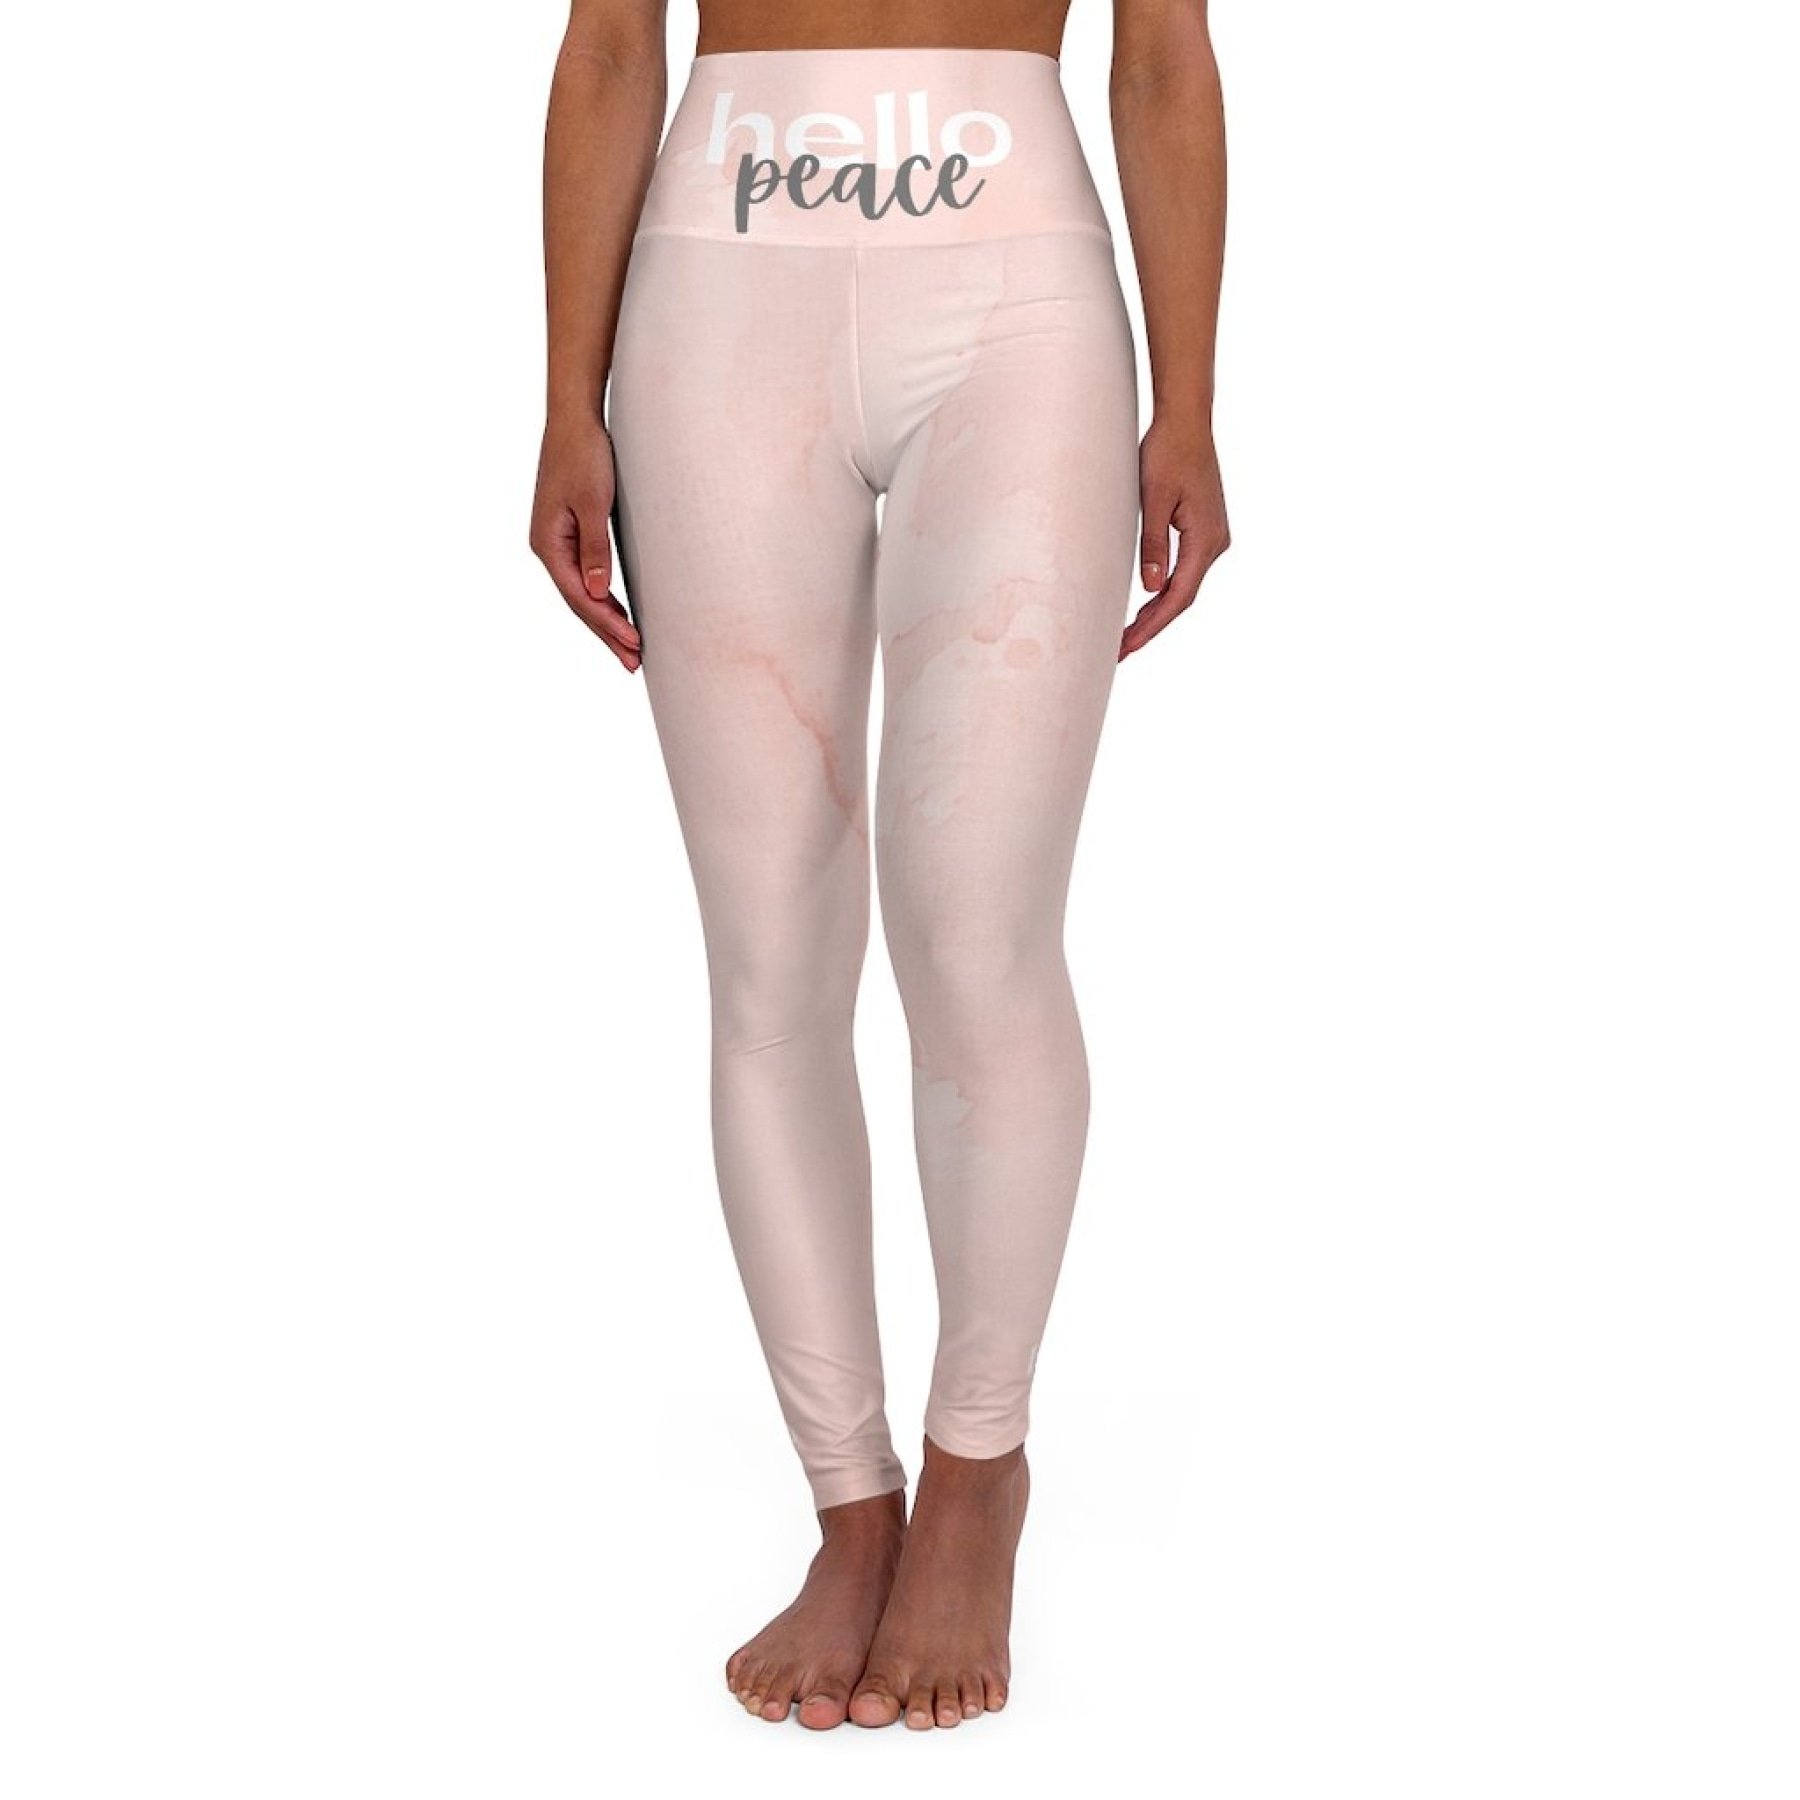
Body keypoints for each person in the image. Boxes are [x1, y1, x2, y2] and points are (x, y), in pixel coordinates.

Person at [528, 0, 1229, 1733]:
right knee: (769, 957)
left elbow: (1159, 52)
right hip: (717, 283)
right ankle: (852, 1506)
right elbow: (610, 43)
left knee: (980, 936)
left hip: (1017, 298)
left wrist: (1193, 403)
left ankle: (977, 1472)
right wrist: (561, 401)